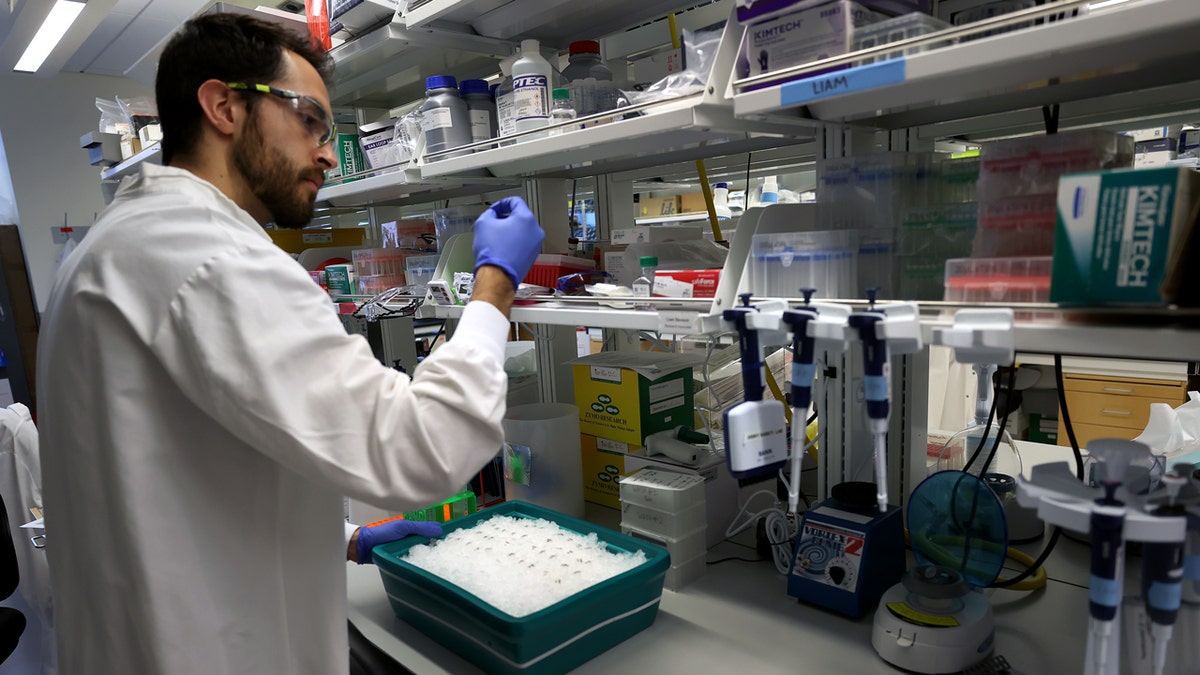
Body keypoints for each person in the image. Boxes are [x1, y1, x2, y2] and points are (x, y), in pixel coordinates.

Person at [36, 12, 544, 674]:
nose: (328, 152)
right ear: (222, 106)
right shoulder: (211, 256)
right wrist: (495, 286)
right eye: (309, 120)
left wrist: (347, 538)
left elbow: (175, 471)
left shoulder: (109, 244)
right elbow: (423, 443)